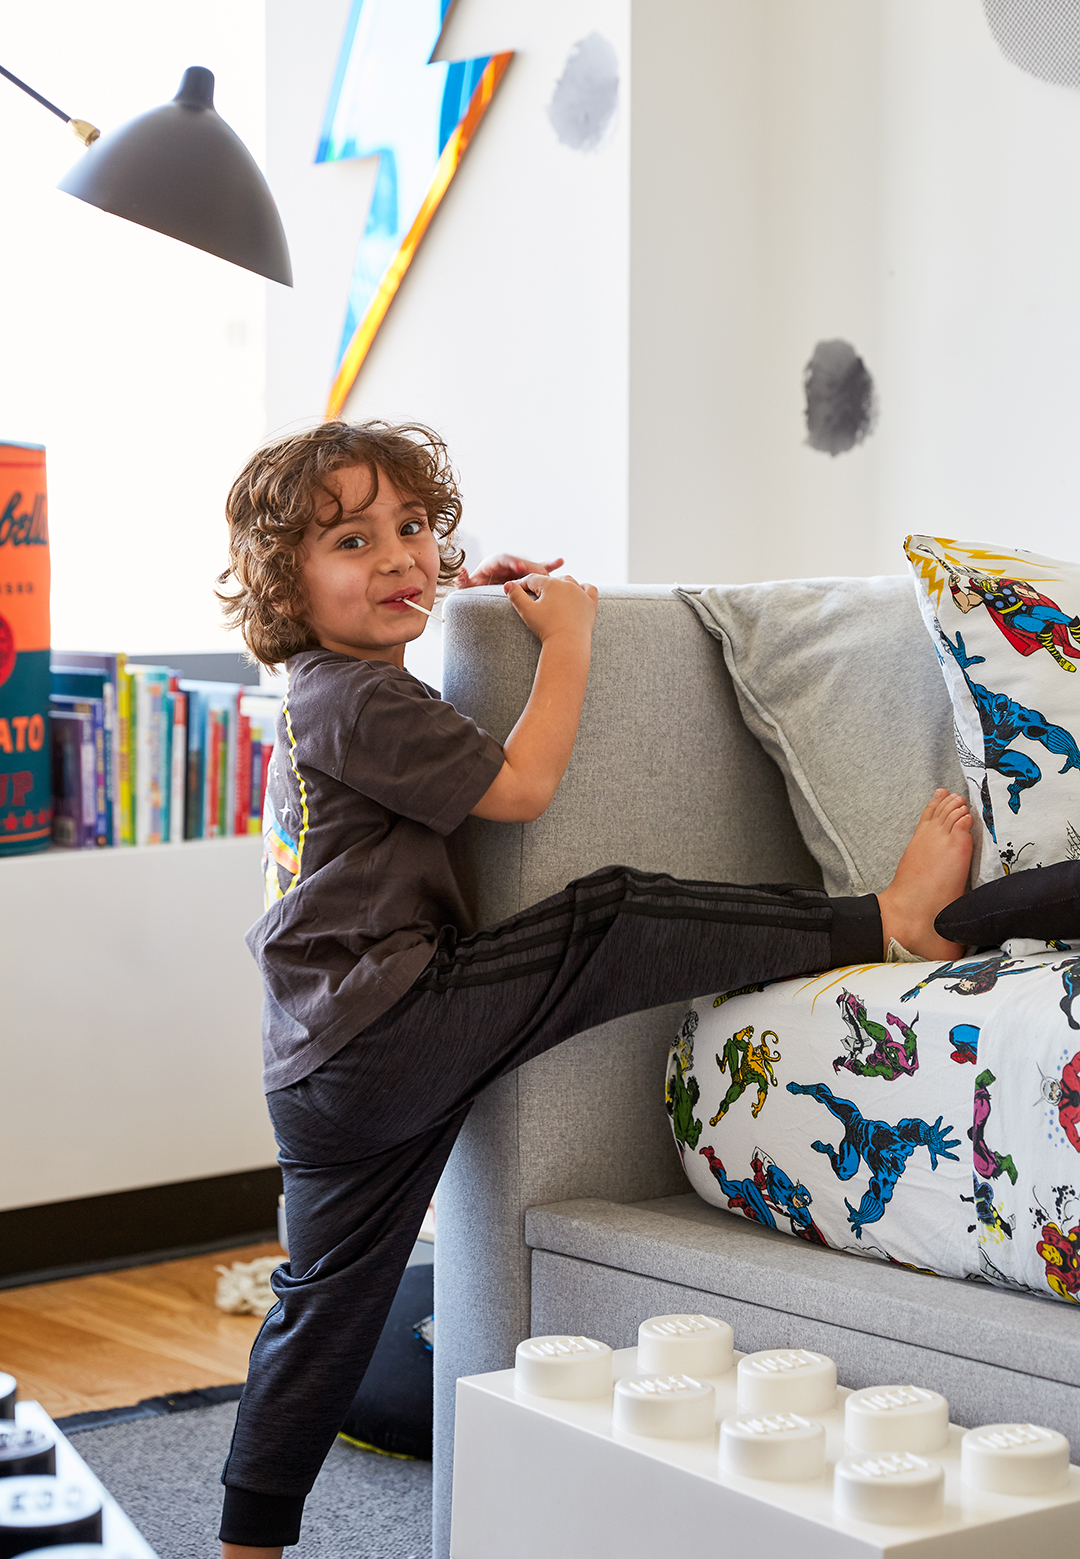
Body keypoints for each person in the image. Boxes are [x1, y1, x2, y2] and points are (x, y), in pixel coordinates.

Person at [215, 419, 974, 1557]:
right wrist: (566, 638)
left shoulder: (329, 690)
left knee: (321, 1306)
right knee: (612, 916)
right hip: (393, 1022)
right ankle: (886, 920)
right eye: (354, 540)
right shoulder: (366, 702)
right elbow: (520, 787)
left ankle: (247, 1537)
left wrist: (465, 592)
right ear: (286, 584)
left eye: (415, 529)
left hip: (316, 1064)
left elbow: (408, 630)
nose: (399, 558)